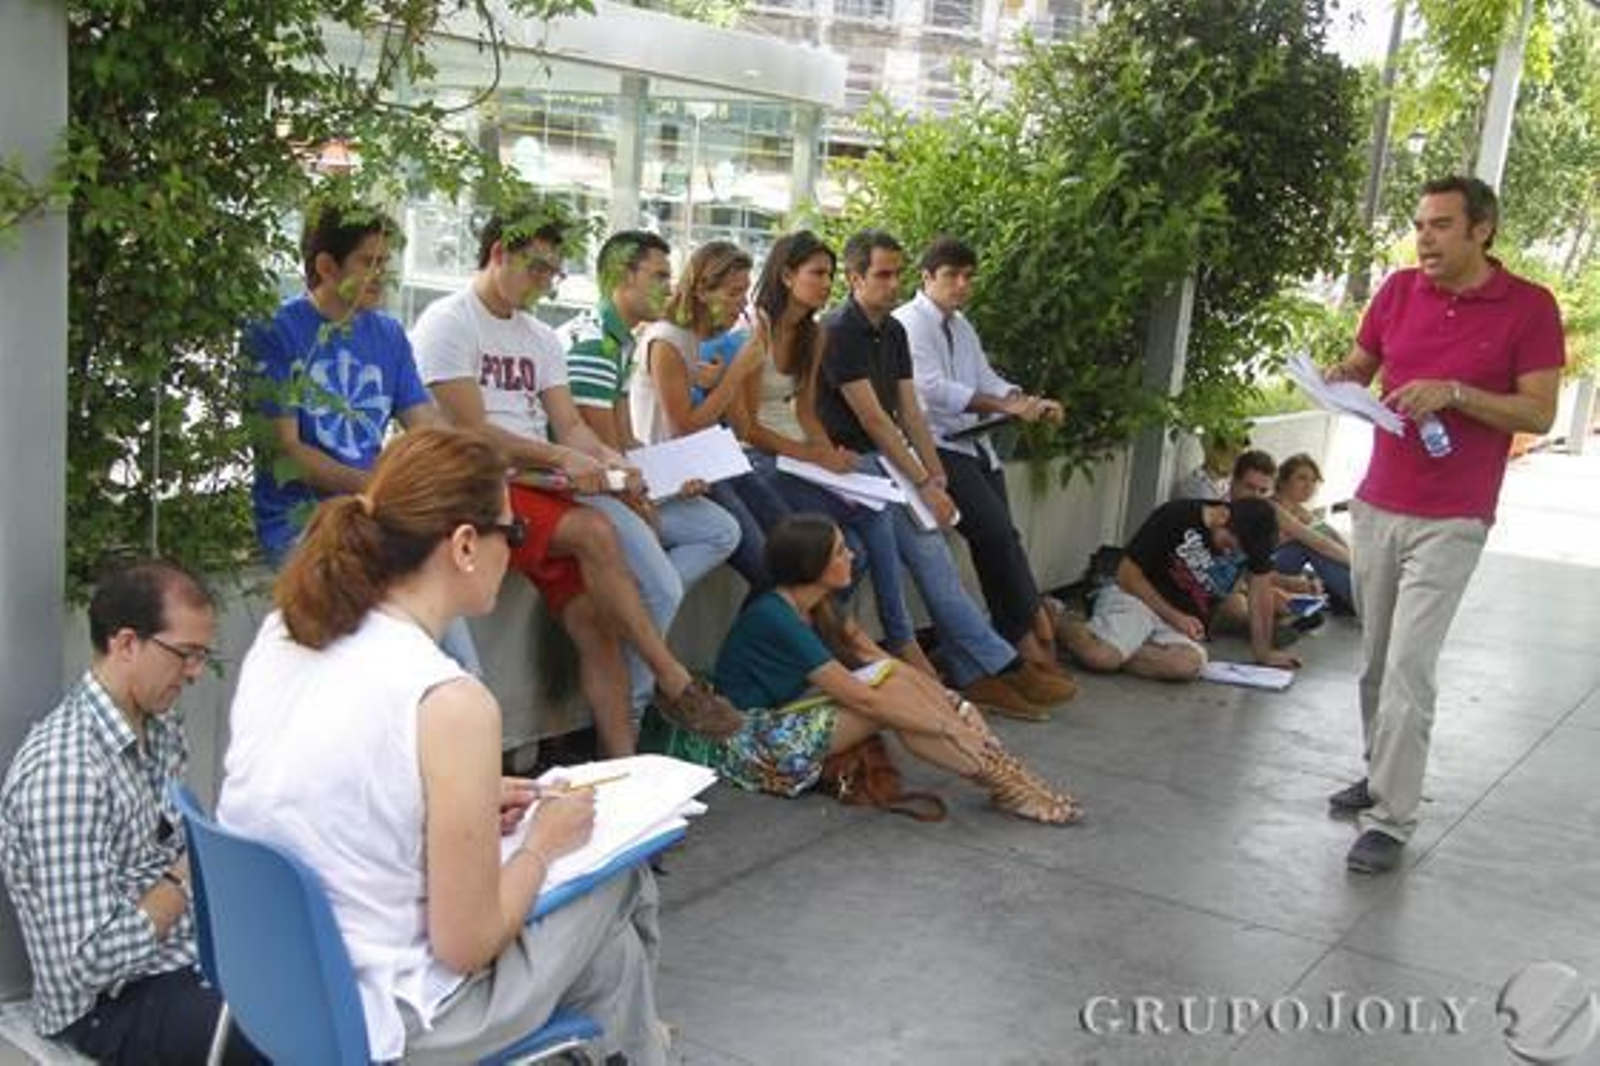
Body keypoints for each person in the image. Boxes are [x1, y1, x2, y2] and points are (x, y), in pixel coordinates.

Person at [218, 427, 666, 1065]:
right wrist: (543, 843)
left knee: (609, 953)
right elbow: (466, 943)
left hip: (269, 980)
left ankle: (630, 1050)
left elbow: (339, 794)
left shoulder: (287, 632)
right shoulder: (449, 702)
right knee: (618, 874)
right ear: (463, 545)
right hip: (388, 1018)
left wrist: (460, 801)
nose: (516, 550)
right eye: (512, 534)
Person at [410, 205, 740, 754]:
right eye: (536, 269)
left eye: (552, 274)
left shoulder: (539, 336)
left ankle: (623, 770)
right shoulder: (448, 321)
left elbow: (569, 423)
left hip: (536, 480)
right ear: (498, 254)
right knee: (598, 534)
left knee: (595, 622)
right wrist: (567, 459)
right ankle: (673, 679)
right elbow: (474, 432)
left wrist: (613, 464)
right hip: (480, 479)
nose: (544, 284)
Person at [1323, 176, 1565, 874]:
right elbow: (1362, 368)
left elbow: (1538, 413)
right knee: (1373, 662)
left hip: (1453, 516)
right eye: (1420, 224)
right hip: (1377, 503)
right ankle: (1379, 774)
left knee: (1408, 666)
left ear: (1481, 229)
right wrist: (1337, 378)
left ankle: (1390, 820)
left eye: (1440, 226)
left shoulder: (1530, 308)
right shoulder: (1398, 291)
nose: (1424, 238)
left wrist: (1456, 394)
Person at [0, 561, 262, 1064]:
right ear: (125, 644)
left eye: (203, 656)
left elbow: (165, 844)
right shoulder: (65, 771)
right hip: (106, 1005)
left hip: (179, 959)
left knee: (327, 990)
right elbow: (87, 963)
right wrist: (188, 874)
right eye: (185, 654)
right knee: (276, 1037)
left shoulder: (160, 728)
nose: (195, 672)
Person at [816, 229, 1074, 720]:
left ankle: (980, 670)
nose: (893, 284)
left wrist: (933, 478)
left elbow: (909, 410)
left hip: (888, 461)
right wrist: (922, 479)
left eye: (896, 273)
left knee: (936, 558)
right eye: (882, 274)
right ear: (854, 279)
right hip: (851, 465)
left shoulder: (890, 330)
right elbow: (872, 420)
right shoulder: (840, 330)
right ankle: (997, 664)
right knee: (921, 558)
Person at [714, 516, 1081, 824]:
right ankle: (1005, 784)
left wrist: (955, 705)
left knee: (894, 681)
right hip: (753, 743)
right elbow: (863, 700)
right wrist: (950, 727)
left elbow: (886, 663)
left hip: (789, 716)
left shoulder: (820, 605)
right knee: (886, 703)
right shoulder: (776, 617)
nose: (853, 555)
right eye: (841, 551)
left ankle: (1006, 775)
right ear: (813, 566)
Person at [243, 198, 482, 672]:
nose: (381, 276)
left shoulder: (389, 335)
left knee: (458, 666)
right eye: (367, 262)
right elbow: (286, 453)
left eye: (385, 264)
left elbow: (425, 424)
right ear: (326, 266)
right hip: (303, 525)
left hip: (379, 517)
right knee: (371, 661)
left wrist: (466, 477)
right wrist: (379, 489)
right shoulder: (275, 333)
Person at [725, 230, 936, 675]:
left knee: (854, 545)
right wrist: (815, 458)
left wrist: (827, 452)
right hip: (757, 458)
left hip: (798, 454)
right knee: (861, 524)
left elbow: (805, 411)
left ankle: (814, 649)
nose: (826, 284)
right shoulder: (753, 328)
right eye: (817, 273)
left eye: (830, 274)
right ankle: (897, 641)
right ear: (786, 275)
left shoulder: (814, 335)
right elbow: (746, 427)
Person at [557, 229, 743, 715]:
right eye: (659, 275)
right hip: (577, 489)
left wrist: (670, 477)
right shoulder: (596, 344)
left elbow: (624, 443)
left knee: (721, 529)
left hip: (611, 477)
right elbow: (595, 453)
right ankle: (634, 707)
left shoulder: (618, 339)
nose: (670, 286)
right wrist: (645, 495)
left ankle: (629, 609)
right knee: (663, 584)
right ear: (622, 276)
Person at [897, 235, 1068, 672]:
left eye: (968, 277)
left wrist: (1024, 399)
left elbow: (985, 378)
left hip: (973, 444)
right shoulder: (910, 323)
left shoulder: (960, 325)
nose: (961, 285)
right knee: (993, 534)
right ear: (926, 277)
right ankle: (1024, 643)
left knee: (1002, 539)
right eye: (952, 275)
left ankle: (1018, 640)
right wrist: (1003, 405)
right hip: (934, 446)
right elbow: (931, 391)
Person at [629, 239, 788, 587]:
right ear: (702, 290)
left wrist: (721, 382)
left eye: (745, 293)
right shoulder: (668, 340)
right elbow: (683, 427)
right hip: (664, 478)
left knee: (788, 536)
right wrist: (736, 372)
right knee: (763, 565)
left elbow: (737, 425)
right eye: (733, 293)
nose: (741, 304)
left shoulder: (691, 340)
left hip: (693, 466)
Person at [1056, 497, 1301, 680]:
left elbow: (1260, 593)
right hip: (1137, 599)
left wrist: (1264, 652)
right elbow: (1127, 575)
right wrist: (1175, 616)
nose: (1229, 553)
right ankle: (1058, 618)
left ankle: (1111, 644)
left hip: (1179, 625)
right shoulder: (1177, 515)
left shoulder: (1253, 540)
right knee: (1101, 658)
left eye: (1237, 552)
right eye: (1228, 543)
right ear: (1223, 516)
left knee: (1186, 665)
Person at [1270, 453, 1355, 613]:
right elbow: (1320, 544)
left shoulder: (1301, 511)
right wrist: (1359, 566)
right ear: (1282, 481)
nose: (1309, 485)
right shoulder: (1273, 507)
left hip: (1282, 567)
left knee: (1323, 536)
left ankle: (1357, 592)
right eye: (1301, 478)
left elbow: (1333, 538)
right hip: (1260, 570)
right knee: (1307, 542)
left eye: (1313, 480)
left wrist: (1362, 565)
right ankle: (1359, 599)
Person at [1171, 430, 1244, 502]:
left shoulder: (1229, 486)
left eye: (1239, 456)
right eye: (1234, 453)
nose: (1237, 461)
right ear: (1216, 452)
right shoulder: (1192, 487)